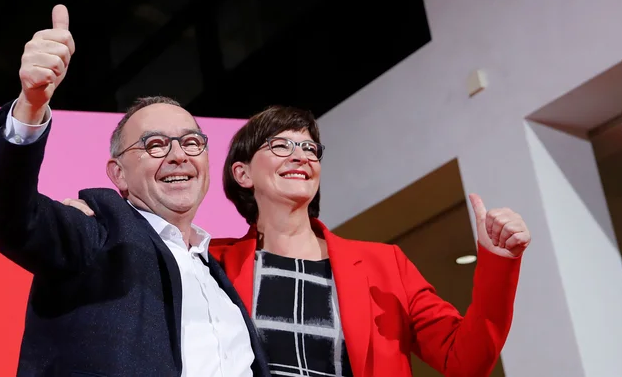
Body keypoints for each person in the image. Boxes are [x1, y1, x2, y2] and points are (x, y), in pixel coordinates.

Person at [0, 4, 270, 376]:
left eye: (191, 142)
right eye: (155, 145)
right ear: (119, 174)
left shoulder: (218, 271)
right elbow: (7, 213)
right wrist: (31, 104)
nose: (178, 155)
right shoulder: (97, 233)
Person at [210, 106, 530, 377]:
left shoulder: (385, 264)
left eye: (309, 149)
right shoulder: (211, 264)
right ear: (243, 174)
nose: (301, 157)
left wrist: (498, 262)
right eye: (281, 146)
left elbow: (465, 361)